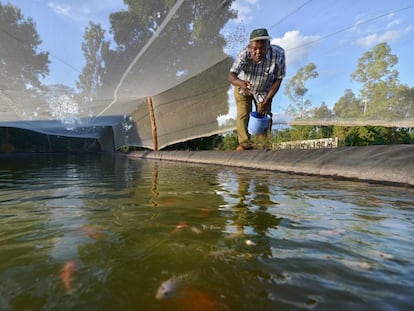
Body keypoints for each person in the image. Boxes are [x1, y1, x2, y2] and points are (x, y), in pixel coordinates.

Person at [228, 28, 286, 151]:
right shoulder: (243, 54)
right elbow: (231, 76)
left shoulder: (278, 54)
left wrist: (266, 101)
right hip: (244, 87)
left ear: (268, 46)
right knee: (243, 114)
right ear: (250, 47)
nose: (258, 52)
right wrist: (240, 83)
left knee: (264, 114)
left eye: (262, 48)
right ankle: (245, 144)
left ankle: (263, 145)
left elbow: (278, 79)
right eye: (254, 49)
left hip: (264, 89)